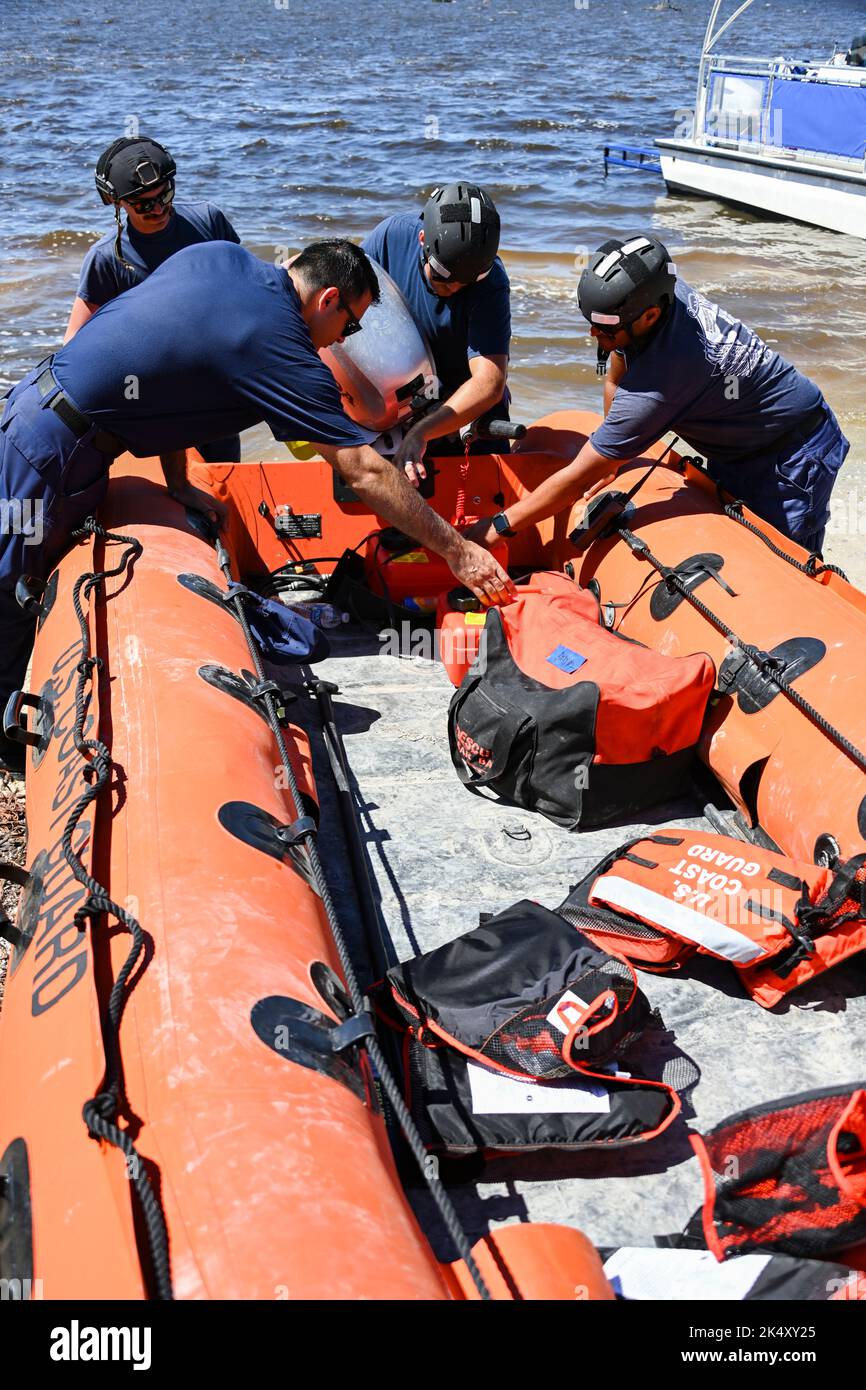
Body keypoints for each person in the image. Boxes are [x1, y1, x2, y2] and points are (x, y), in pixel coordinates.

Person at [0, 238, 514, 774]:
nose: (346, 340)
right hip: (53, 450)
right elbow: (363, 470)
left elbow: (168, 370)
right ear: (328, 300)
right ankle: (9, 753)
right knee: (8, 595)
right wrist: (459, 552)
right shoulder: (279, 345)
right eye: (351, 326)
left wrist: (179, 482)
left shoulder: (221, 258)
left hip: (39, 404)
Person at [465, 233, 848, 556]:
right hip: (743, 441)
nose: (593, 336)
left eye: (605, 328)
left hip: (793, 455)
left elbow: (578, 477)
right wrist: (614, 458)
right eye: (590, 323)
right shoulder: (658, 290)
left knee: (782, 562)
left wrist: (498, 526)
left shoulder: (660, 382)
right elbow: (615, 372)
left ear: (648, 316)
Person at [65, 136, 242, 464]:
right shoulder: (106, 259)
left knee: (223, 472)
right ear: (116, 203)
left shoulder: (209, 221)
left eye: (165, 195)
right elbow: (74, 345)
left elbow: (246, 287)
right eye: (144, 204)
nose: (159, 209)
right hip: (148, 388)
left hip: (214, 379)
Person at [361, 182, 511, 482]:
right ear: (421, 240)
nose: (453, 288)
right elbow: (341, 311)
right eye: (442, 276)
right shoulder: (390, 238)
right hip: (397, 396)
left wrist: (425, 430)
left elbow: (489, 382)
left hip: (463, 404)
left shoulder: (491, 282)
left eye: (466, 282)